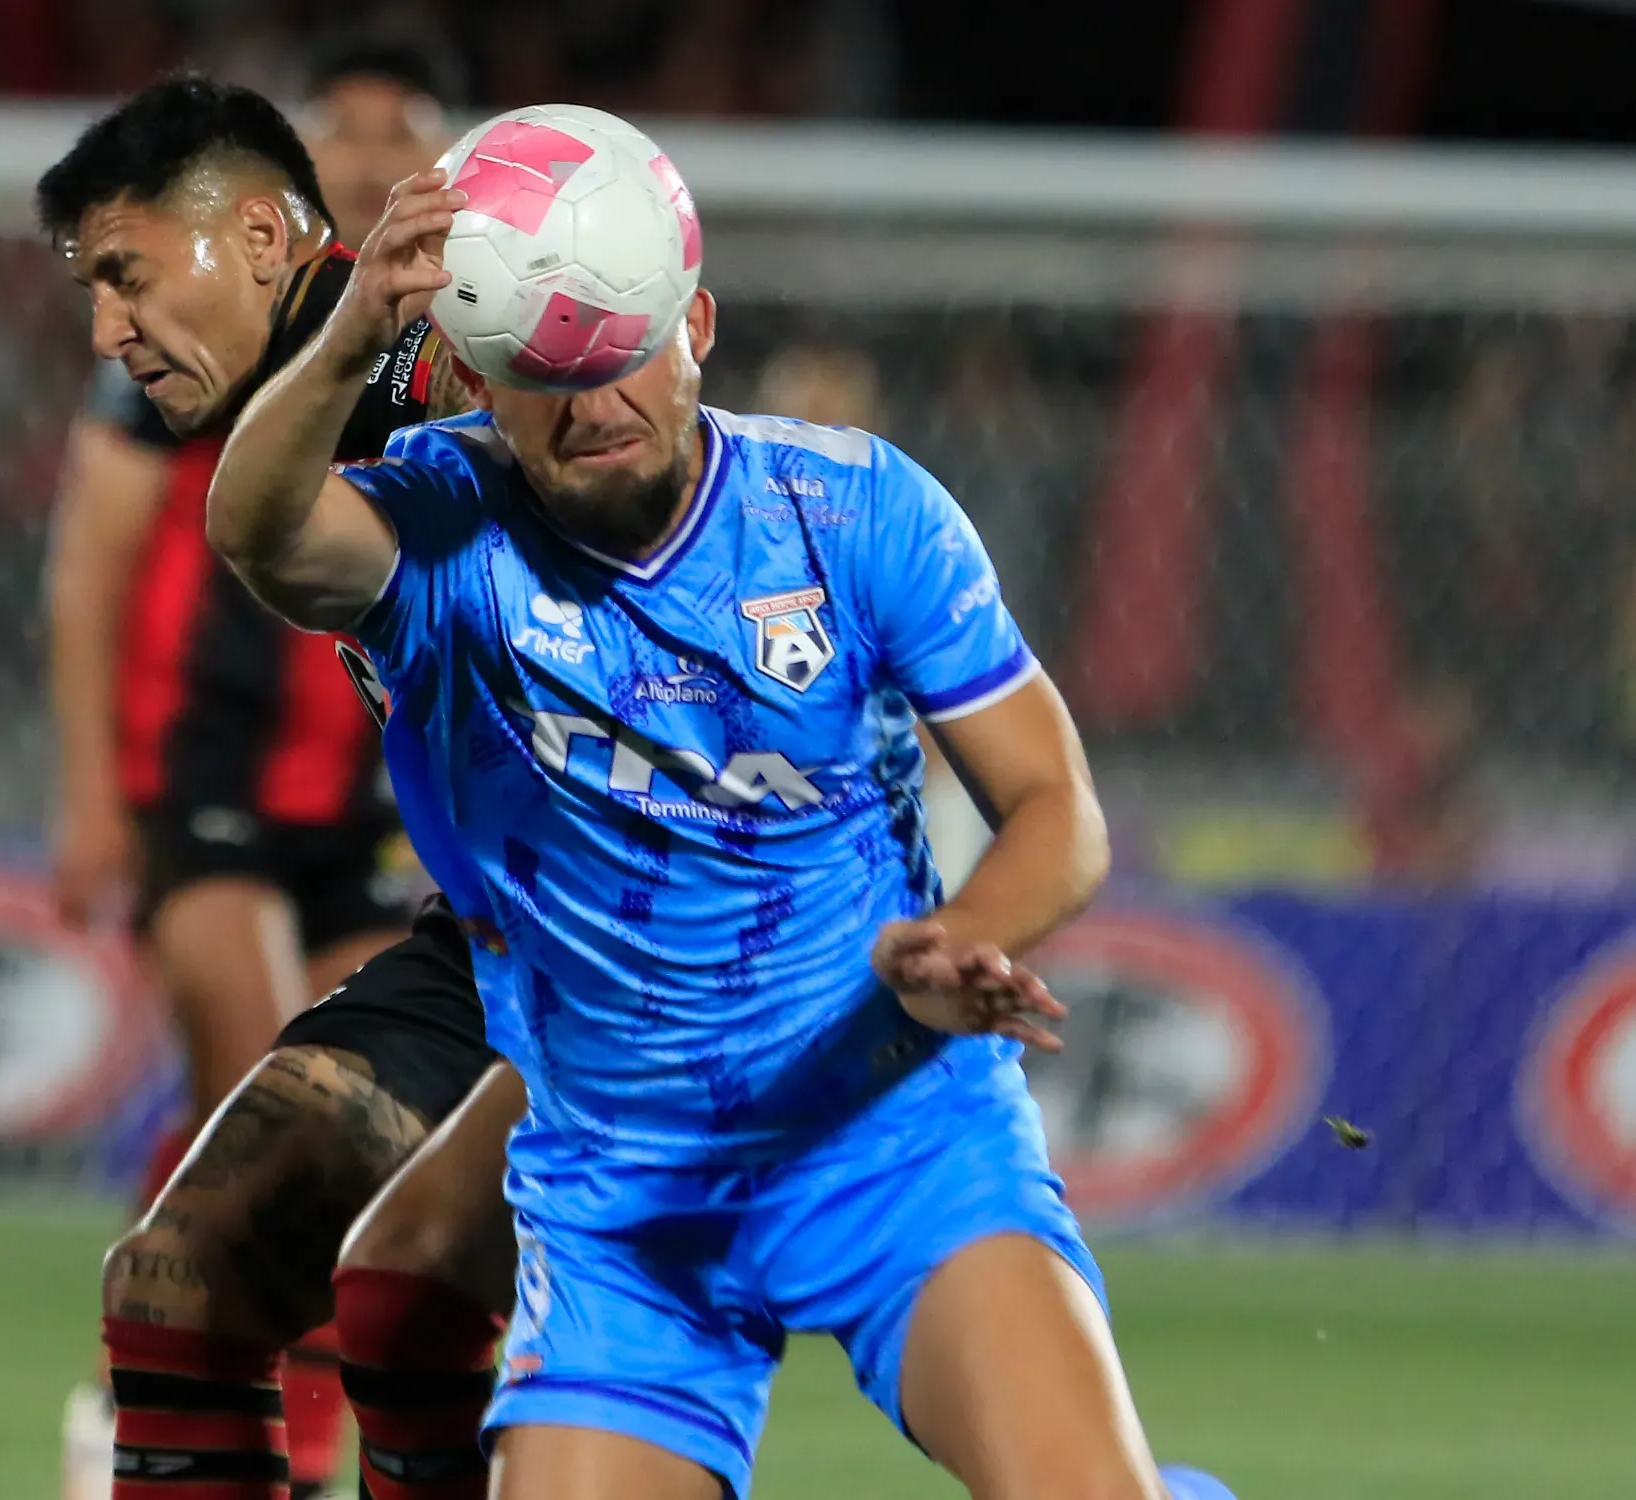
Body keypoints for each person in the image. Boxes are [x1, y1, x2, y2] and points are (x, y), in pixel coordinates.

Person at [200, 154, 1242, 1500]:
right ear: (475, 378)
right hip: (622, 1203)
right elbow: (258, 532)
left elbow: (1057, 808)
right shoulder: (438, 530)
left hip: (892, 1138)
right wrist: (351, 336)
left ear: (695, 324)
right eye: (545, 374)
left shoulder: (853, 511)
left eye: (623, 353)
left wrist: (962, 938)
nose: (595, 406)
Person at [36, 71, 479, 1500]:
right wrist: (90, 792)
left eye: (126, 278)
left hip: (539, 884)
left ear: (263, 234)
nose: (108, 330)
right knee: (266, 1155)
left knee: (347, 1179)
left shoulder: (438, 357)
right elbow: (103, 565)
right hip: (222, 783)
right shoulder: (262, 380)